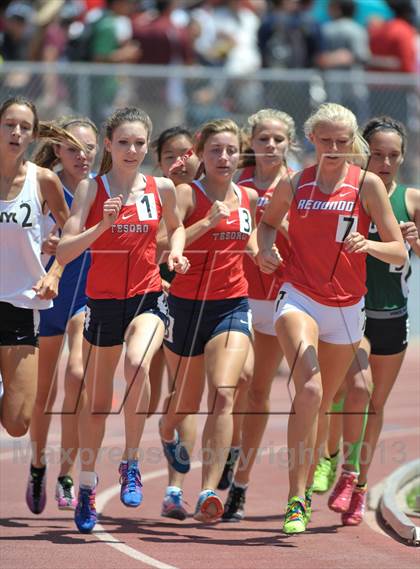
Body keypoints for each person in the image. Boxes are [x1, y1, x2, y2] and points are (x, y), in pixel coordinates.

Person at [257, 102, 407, 534]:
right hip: (298, 295)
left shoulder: (366, 185)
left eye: (343, 141)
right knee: (309, 388)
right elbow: (267, 225)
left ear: (352, 141)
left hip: (344, 306)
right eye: (326, 141)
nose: (335, 148)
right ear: (312, 140)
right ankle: (296, 498)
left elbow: (397, 250)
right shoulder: (295, 182)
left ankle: (328, 468)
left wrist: (369, 245)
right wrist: (266, 250)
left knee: (325, 402)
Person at [56, 106, 189, 534]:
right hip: (103, 303)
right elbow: (64, 251)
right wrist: (102, 226)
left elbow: (177, 226)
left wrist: (176, 251)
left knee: (137, 366)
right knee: (96, 405)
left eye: (139, 143)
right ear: (108, 145)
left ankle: (131, 460)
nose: (132, 150)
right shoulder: (91, 190)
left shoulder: (161, 186)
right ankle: (87, 486)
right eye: (123, 142)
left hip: (148, 297)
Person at [159, 118, 258, 523]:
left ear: (239, 154)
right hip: (185, 308)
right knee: (184, 402)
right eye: (215, 150)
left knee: (224, 392)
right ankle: (167, 431)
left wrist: (262, 253)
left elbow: (248, 237)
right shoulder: (187, 193)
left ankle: (205, 493)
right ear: (201, 153)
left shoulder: (247, 196)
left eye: (231, 150)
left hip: (231, 304)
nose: (224, 157)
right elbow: (165, 242)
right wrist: (204, 225)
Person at [324, 116, 420, 526]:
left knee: (374, 403)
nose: (384, 163)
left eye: (392, 156)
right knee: (355, 388)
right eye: (376, 154)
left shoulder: (412, 199)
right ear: (362, 153)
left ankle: (360, 485)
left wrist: (416, 243)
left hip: (393, 315)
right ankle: (337, 463)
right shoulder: (349, 194)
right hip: (352, 310)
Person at [222, 108, 295, 520]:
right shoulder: (237, 183)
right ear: (251, 141)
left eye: (279, 139)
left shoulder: (300, 183)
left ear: (289, 144)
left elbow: (310, 241)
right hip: (240, 295)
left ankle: (241, 482)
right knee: (238, 382)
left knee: (259, 391)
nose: (270, 146)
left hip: (282, 299)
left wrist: (279, 229)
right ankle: (229, 456)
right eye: (264, 138)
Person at [25, 116, 99, 515]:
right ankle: (38, 464)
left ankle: (66, 473)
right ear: (58, 151)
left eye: (88, 148)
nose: (82, 156)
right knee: (42, 394)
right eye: (73, 149)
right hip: (46, 296)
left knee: (77, 379)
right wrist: (45, 246)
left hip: (86, 297)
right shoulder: (41, 185)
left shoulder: (102, 188)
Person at [0, 96, 82, 440]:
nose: (16, 133)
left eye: (24, 127)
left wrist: (55, 271)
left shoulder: (44, 181)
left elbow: (71, 231)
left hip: (22, 303)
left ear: (33, 136)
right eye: (9, 125)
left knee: (18, 423)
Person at [150, 125, 200, 520]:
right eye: (171, 156)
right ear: (159, 162)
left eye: (187, 153)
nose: (181, 162)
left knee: (183, 393)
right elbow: (161, 244)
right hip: (153, 302)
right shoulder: (151, 194)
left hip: (201, 304)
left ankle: (174, 489)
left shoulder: (213, 192)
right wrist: (207, 224)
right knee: (153, 398)